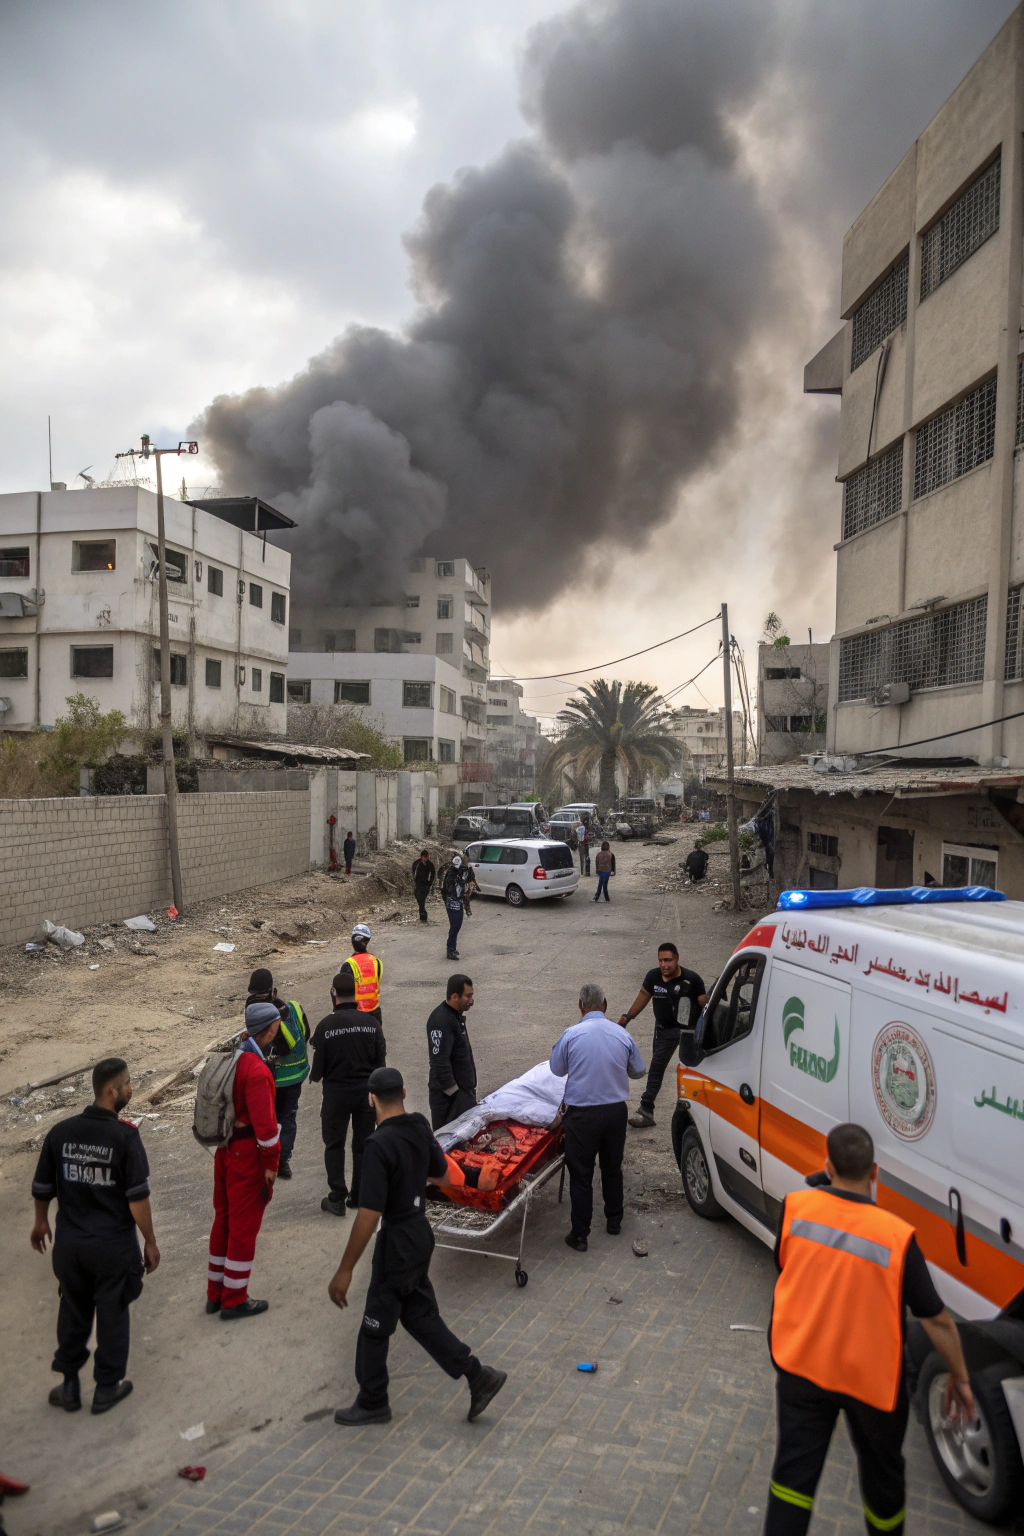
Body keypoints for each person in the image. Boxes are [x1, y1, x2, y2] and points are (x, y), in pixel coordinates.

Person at [764, 1122, 974, 1536]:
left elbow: (784, 1264)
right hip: (871, 1385)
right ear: (874, 1173)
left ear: (827, 1166)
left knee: (792, 1481)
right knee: (883, 1484)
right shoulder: (896, 1238)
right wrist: (961, 1378)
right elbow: (935, 1319)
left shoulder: (796, 1207)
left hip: (802, 1366)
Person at [328, 1066, 507, 1426]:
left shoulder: (377, 1145)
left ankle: (373, 1400)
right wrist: (475, 1180)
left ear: (371, 1099)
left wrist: (344, 1269)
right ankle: (478, 1376)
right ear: (405, 1093)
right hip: (419, 1234)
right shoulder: (419, 1125)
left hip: (397, 1242)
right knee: (420, 1317)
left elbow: (368, 1213)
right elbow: (441, 1172)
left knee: (374, 1326)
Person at [30, 1057, 160, 1414]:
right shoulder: (125, 1137)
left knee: (72, 1311)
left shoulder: (61, 1133)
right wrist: (149, 1240)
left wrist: (41, 1222)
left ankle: (69, 1387)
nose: (132, 1089)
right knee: (113, 1312)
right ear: (111, 1091)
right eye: (128, 1084)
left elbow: (42, 1186)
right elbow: (137, 1198)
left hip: (71, 1248)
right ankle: (106, 1388)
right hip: (112, 1248)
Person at [549, 984, 645, 1252]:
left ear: (580, 1006)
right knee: (613, 1167)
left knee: (581, 1174)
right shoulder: (621, 1034)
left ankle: (580, 1235)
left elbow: (556, 1069)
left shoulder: (571, 1034)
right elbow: (639, 1071)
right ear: (605, 1004)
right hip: (615, 1112)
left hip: (582, 1116)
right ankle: (614, 1221)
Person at [206, 1001, 281, 1320]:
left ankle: (216, 1293)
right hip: (247, 1157)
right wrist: (271, 1165)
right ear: (270, 1029)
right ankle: (235, 1298)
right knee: (243, 1227)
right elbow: (266, 1130)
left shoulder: (232, 1059)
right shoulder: (256, 1070)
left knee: (223, 1219)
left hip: (224, 1151)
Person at [311, 969, 387, 1216]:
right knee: (363, 1144)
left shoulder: (325, 1026)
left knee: (334, 1144)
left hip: (336, 1095)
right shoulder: (372, 1023)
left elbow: (318, 1072)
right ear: (355, 994)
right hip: (366, 1093)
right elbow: (380, 1065)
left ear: (333, 993)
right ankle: (358, 1195)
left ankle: (336, 1198)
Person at [618, 942, 707, 1128]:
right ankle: (646, 1111)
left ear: (677, 959)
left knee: (694, 1070)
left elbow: (704, 1004)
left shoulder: (692, 979)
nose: (664, 965)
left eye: (668, 960)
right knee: (657, 1068)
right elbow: (643, 996)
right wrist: (627, 1018)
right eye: (660, 961)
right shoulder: (653, 977)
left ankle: (700, 1114)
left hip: (688, 1031)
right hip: (664, 1031)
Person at [247, 967, 309, 1180]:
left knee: (268, 1117)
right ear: (273, 991)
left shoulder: (256, 1013)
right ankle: (283, 1161)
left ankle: (266, 1159)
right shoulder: (293, 1007)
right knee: (288, 1116)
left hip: (271, 1078)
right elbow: (306, 1033)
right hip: (295, 1075)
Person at [426, 975, 478, 1129]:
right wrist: (456, 1095)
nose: (472, 1001)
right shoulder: (440, 1021)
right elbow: (439, 1062)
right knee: (449, 1147)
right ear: (455, 996)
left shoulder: (455, 1017)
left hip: (462, 1095)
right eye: (468, 996)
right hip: (449, 1101)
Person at [345, 923, 383, 1022]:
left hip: (355, 1012)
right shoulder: (377, 962)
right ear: (368, 940)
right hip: (374, 1010)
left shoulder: (349, 964)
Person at [440, 853, 473, 960]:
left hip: (458, 902)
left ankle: (452, 948)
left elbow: (469, 879)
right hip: (451, 902)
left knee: (458, 925)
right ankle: (450, 949)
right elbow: (449, 889)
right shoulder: (450, 874)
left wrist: (469, 871)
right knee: (455, 926)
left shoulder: (462, 871)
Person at [411, 849, 436, 923]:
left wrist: (430, 883)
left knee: (422, 899)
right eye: (425, 857)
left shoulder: (430, 864)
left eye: (427, 857)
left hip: (426, 885)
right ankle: (422, 913)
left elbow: (433, 873)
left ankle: (423, 915)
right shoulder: (417, 863)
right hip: (418, 884)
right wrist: (416, 881)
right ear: (422, 857)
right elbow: (414, 872)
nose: (426, 858)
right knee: (418, 898)